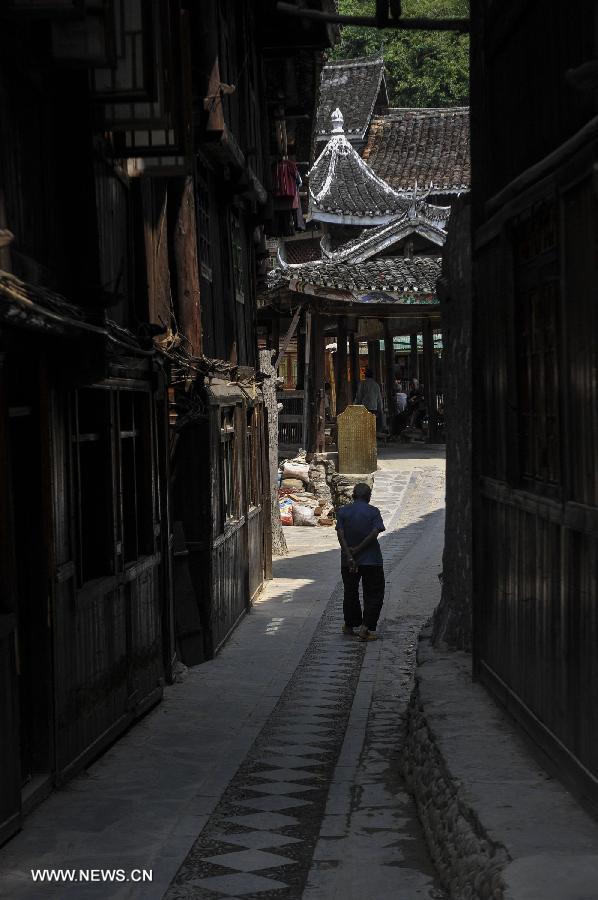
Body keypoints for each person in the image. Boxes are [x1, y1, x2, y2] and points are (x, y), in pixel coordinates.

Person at [336, 483, 386, 642]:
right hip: (371, 560)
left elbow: (340, 534)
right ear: (369, 497)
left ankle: (350, 625)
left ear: (353, 495)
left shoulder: (343, 511)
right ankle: (365, 628)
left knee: (350, 592)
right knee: (374, 593)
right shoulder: (373, 511)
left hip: (348, 561)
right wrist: (358, 549)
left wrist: (350, 555)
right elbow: (375, 532)